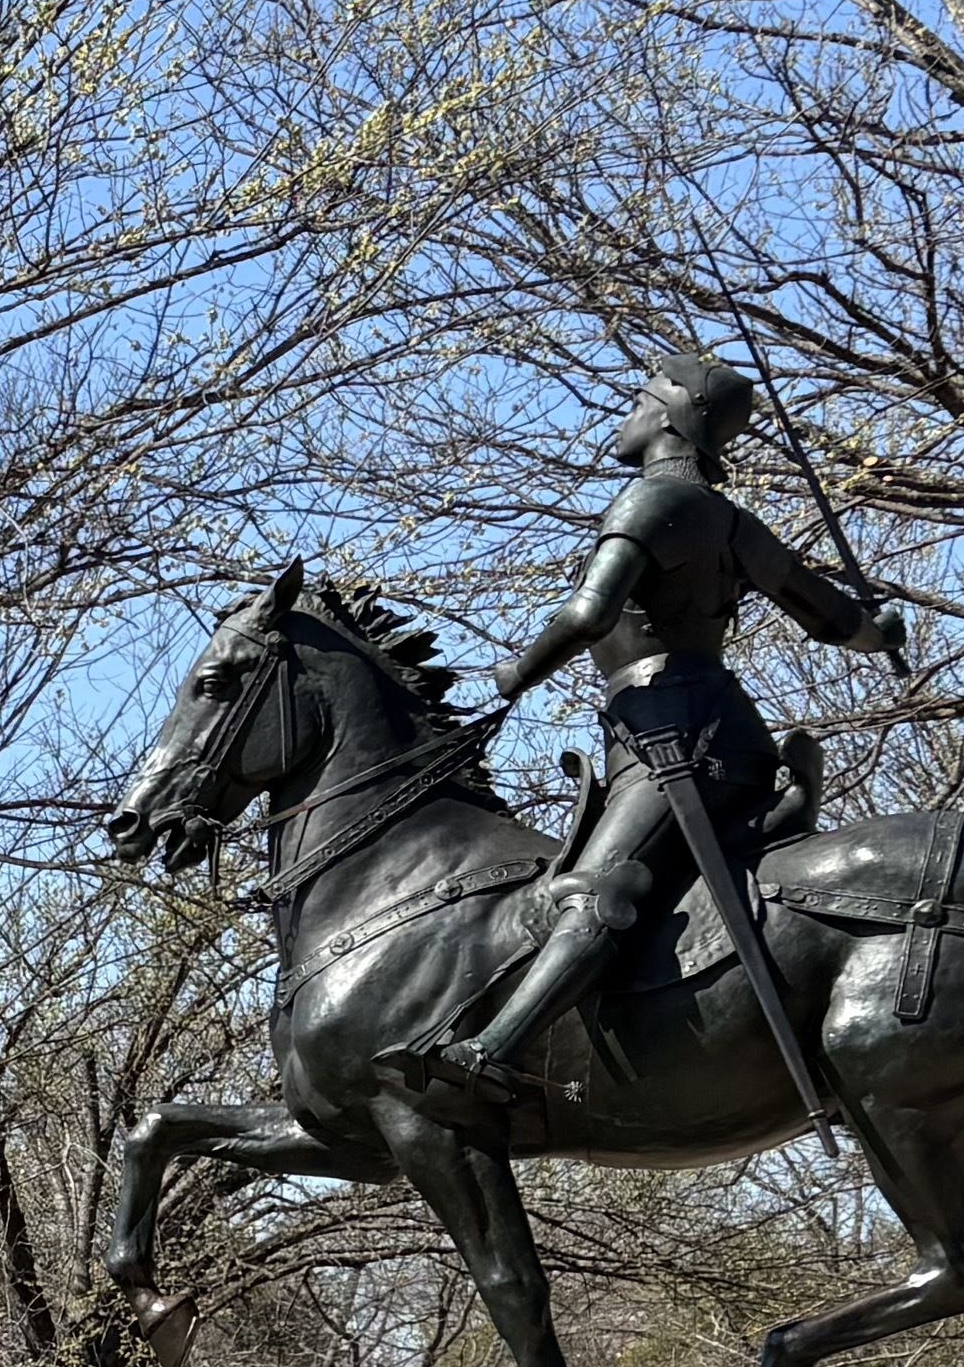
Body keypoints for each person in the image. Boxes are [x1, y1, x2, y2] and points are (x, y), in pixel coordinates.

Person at [386, 357, 906, 1131]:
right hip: (725, 729)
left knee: (596, 890)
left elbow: (591, 612)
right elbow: (837, 622)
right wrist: (881, 630)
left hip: (670, 736)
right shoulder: (735, 522)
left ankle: (490, 1052)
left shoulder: (653, 498)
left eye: (638, 402)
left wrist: (511, 675)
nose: (625, 417)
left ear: (670, 417)